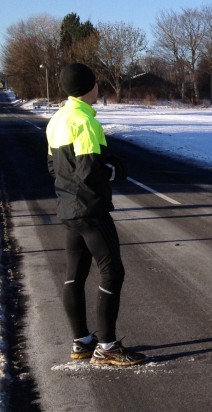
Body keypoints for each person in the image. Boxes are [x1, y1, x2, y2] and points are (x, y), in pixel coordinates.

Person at [45, 63, 144, 366]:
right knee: (113, 271)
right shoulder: (85, 121)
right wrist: (113, 169)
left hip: (68, 208)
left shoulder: (57, 118)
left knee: (74, 275)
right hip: (91, 209)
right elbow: (90, 171)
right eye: (96, 83)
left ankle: (81, 341)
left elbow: (53, 167)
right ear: (89, 87)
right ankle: (108, 346)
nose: (99, 87)